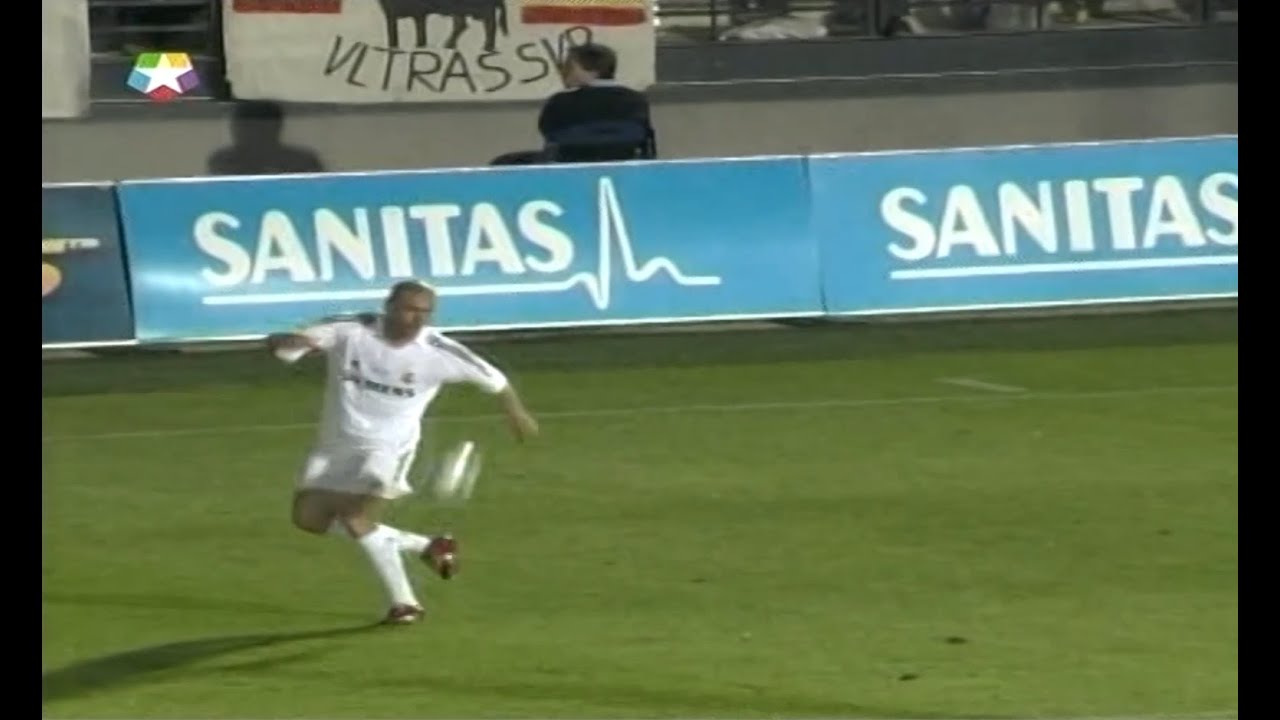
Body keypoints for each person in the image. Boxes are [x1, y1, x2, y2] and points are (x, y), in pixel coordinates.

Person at [265, 280, 539, 625]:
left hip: (387, 450)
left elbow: (495, 380)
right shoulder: (351, 329)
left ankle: (405, 603)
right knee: (308, 520)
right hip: (334, 446)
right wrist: (284, 344)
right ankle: (427, 546)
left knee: (355, 517)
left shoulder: (438, 351)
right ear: (390, 306)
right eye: (410, 309)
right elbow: (289, 345)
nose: (417, 319)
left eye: (425, 313)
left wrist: (516, 413)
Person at [491, 43, 653, 166]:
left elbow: (548, 133)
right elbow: (645, 139)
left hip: (568, 163)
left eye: (569, 66)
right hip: (623, 163)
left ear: (591, 70)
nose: (564, 71)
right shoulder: (636, 100)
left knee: (503, 163)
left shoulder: (560, 101)